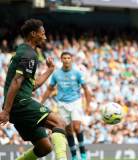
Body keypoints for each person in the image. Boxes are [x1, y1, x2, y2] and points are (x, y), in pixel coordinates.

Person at [0, 18, 68, 160]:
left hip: (17, 106)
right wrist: (6, 111)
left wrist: (50, 70)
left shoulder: (25, 51)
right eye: (42, 32)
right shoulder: (29, 54)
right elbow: (16, 81)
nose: (45, 35)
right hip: (20, 103)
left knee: (44, 147)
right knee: (59, 123)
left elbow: (33, 85)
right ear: (33, 34)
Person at [41, 51, 91, 160]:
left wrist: (88, 105)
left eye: (69, 58)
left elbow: (86, 89)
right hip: (62, 104)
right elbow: (49, 89)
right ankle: (74, 156)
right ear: (61, 59)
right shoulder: (56, 74)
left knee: (77, 127)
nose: (67, 60)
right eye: (64, 58)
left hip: (75, 102)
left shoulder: (77, 73)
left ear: (71, 59)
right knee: (68, 130)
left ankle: (83, 154)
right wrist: (41, 102)